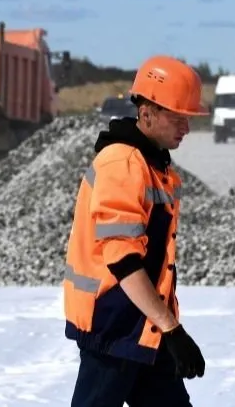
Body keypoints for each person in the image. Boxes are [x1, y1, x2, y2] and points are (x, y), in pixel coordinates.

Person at [63, 55, 208, 406]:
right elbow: (124, 259)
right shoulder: (123, 164)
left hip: (145, 327)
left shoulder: (155, 167)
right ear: (146, 113)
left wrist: (167, 326)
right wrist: (172, 329)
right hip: (115, 327)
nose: (186, 128)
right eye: (178, 118)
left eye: (188, 118)